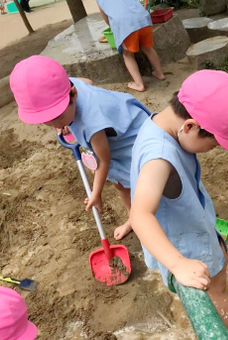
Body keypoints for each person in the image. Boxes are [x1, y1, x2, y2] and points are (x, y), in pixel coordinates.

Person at [129, 70, 228, 330]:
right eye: (214, 144)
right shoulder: (159, 157)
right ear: (190, 126)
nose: (213, 149)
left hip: (191, 230)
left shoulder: (158, 124)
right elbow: (139, 215)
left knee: (215, 287)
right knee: (218, 299)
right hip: (189, 250)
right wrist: (178, 264)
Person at [9, 55, 152, 241]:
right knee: (121, 184)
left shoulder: (93, 123)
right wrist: (63, 119)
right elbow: (87, 81)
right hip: (112, 140)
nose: (55, 125)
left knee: (145, 183)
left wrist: (96, 193)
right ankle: (134, 217)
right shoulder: (67, 86)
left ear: (73, 94)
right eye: (48, 120)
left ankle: (149, 220)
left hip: (133, 138)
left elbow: (103, 160)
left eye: (58, 117)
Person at [96, 0, 165, 92]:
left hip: (125, 24)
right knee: (148, 48)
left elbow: (104, 15)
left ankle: (139, 84)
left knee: (127, 55)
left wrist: (114, 27)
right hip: (143, 19)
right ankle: (160, 73)